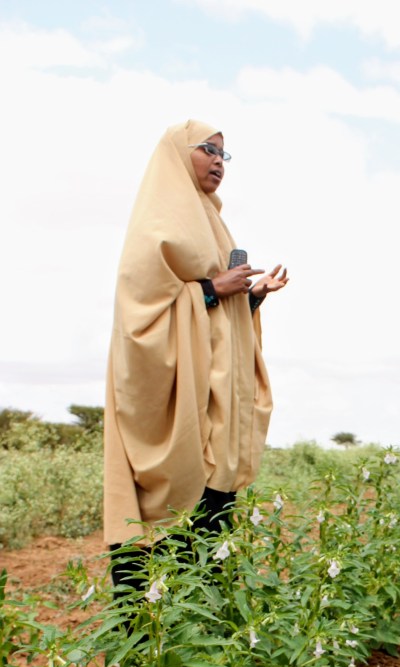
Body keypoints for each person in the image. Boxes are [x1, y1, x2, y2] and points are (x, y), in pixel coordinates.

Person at [103, 119, 288, 586]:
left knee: (210, 537)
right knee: (165, 533)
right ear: (177, 154)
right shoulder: (158, 222)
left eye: (225, 155)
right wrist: (210, 287)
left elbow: (218, 321)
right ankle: (152, 650)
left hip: (214, 411)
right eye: (208, 149)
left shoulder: (212, 224)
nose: (219, 162)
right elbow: (139, 317)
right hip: (175, 408)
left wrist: (249, 297)